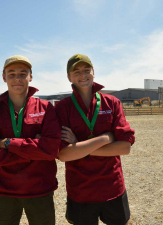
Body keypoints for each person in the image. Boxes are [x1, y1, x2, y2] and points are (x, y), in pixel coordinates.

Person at [0, 55, 61, 225]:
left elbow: (52, 150)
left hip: (40, 190)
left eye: (23, 74)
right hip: (3, 191)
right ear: (4, 77)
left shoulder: (45, 108)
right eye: (12, 74)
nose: (18, 78)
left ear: (31, 76)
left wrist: (8, 143)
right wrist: (35, 149)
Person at [55, 54, 135, 225]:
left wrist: (79, 147)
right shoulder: (62, 107)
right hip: (80, 190)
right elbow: (63, 155)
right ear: (69, 76)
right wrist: (106, 138)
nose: (82, 75)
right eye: (76, 71)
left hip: (112, 187)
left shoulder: (112, 103)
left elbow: (125, 147)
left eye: (86, 70)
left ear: (93, 72)